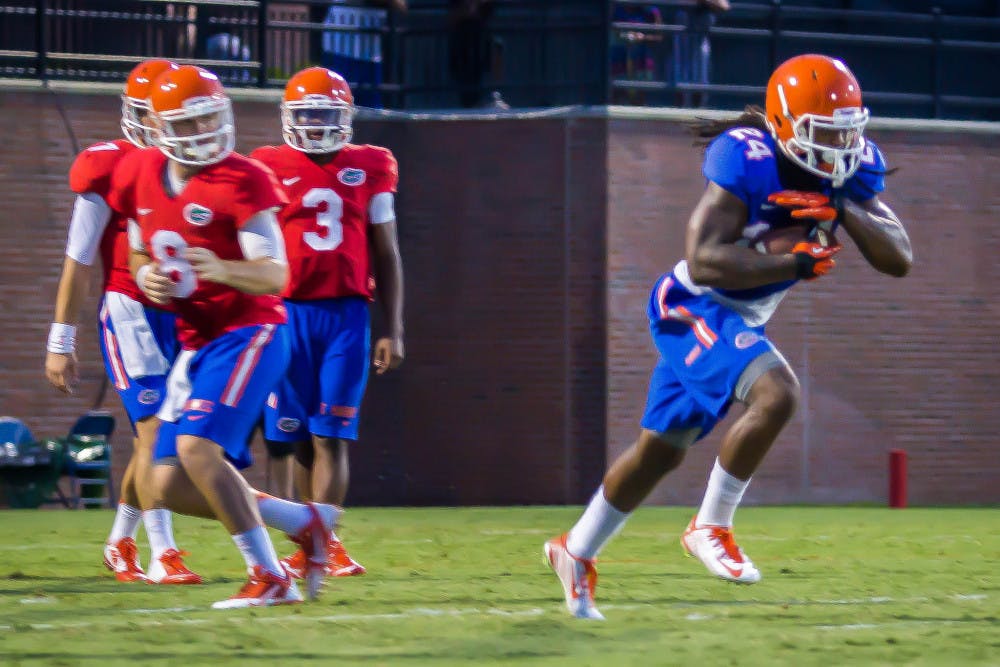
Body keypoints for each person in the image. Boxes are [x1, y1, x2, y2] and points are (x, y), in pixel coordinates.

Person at [544, 54, 913, 620]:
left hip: (739, 320)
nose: (841, 145)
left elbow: (899, 258)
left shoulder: (848, 171)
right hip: (691, 305)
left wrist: (841, 204)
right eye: (826, 132)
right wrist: (794, 265)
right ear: (786, 125)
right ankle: (711, 524)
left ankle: (575, 551)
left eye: (848, 130)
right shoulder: (748, 156)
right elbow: (706, 258)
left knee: (658, 454)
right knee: (778, 394)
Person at [111, 64, 337, 608]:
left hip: (250, 330)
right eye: (189, 124)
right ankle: (303, 523)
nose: (202, 133)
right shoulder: (140, 173)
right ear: (159, 129)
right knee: (163, 484)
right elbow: (139, 247)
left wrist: (221, 268)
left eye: (210, 118)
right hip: (199, 338)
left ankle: (270, 575)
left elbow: (276, 275)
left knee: (197, 448)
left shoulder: (244, 178)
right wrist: (146, 277)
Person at [45, 58, 202, 586]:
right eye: (151, 112)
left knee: (163, 436)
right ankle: (166, 552)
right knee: (155, 432)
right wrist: (60, 340)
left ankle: (120, 539)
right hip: (129, 309)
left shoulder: (198, 165)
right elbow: (78, 259)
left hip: (181, 316)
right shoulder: (108, 164)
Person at [251, 66, 404, 579]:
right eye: (307, 113)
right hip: (286, 312)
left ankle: (327, 541)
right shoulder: (266, 165)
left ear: (346, 116)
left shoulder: (371, 165)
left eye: (325, 112)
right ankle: (300, 539)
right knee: (288, 435)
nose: (316, 123)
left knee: (331, 434)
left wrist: (393, 327)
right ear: (289, 117)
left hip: (345, 314)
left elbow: (387, 252)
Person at [321, 0, 408, 108]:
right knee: (340, 100)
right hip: (342, 41)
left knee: (369, 105)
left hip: (369, 46)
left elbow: (402, 6)